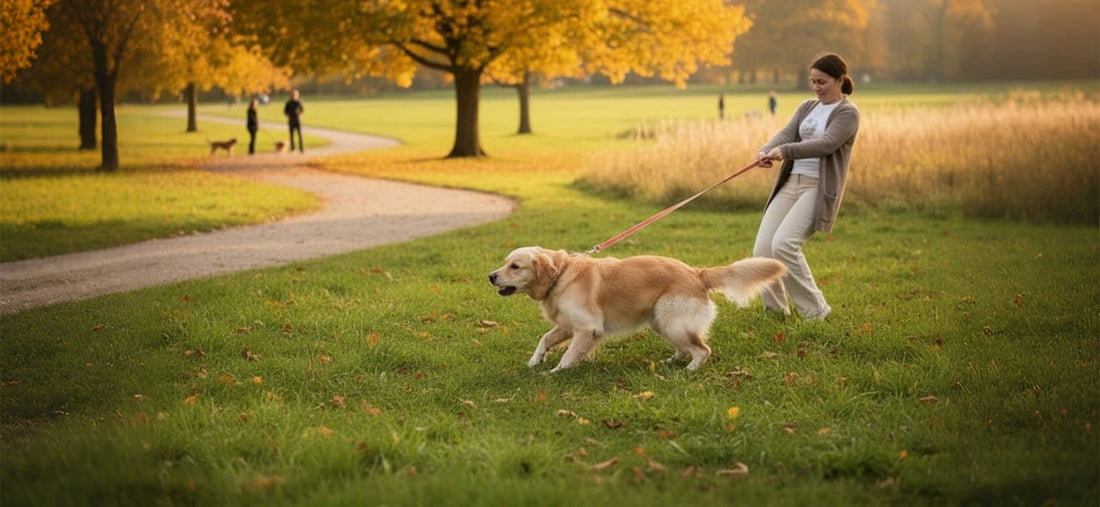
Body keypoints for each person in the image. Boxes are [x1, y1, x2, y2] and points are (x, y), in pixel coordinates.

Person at [752, 53, 860, 321]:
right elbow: (787, 133)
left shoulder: (848, 113)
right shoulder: (807, 106)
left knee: (785, 244)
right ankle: (775, 310)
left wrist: (784, 151)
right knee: (763, 249)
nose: (817, 88)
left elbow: (826, 144)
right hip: (791, 183)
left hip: (817, 187)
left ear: (840, 80)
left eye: (822, 82)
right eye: (813, 81)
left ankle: (816, 311)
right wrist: (766, 149)